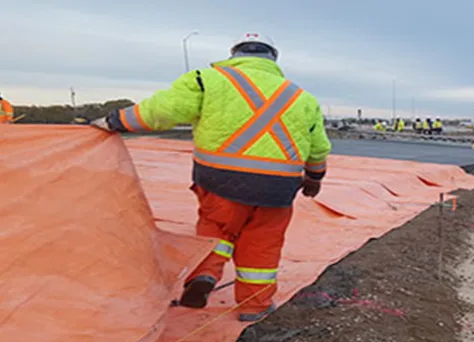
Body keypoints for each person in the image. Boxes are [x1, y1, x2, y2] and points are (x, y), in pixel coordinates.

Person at [91, 32, 332, 322]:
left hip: (219, 182)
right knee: (262, 244)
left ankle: (204, 275)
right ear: (273, 58)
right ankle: (254, 307)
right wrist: (315, 179)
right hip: (277, 190)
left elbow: (162, 111)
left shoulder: (207, 79)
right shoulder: (302, 98)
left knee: (217, 229)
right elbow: (318, 148)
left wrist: (113, 121)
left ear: (234, 54)